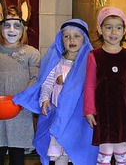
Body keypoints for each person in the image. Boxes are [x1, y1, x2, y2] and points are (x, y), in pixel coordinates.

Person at [12, 18, 97, 165]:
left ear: (84, 39)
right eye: (67, 36)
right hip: (59, 116)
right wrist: (44, 99)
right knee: (60, 156)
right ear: (61, 39)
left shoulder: (91, 62)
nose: (71, 39)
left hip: (79, 119)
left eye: (77, 36)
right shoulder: (57, 62)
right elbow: (46, 84)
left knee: (78, 153)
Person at [83, 7, 126, 165]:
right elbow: (90, 85)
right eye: (108, 27)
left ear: (124, 30)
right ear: (100, 29)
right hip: (104, 113)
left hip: (124, 112)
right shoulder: (94, 56)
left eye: (118, 27)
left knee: (121, 150)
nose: (113, 32)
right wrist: (89, 110)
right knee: (105, 151)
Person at [0, 2, 38, 165]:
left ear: (24, 29)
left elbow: (35, 78)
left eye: (17, 25)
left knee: (17, 153)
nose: (11, 30)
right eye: (7, 25)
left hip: (20, 109)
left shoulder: (31, 53)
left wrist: (22, 98)